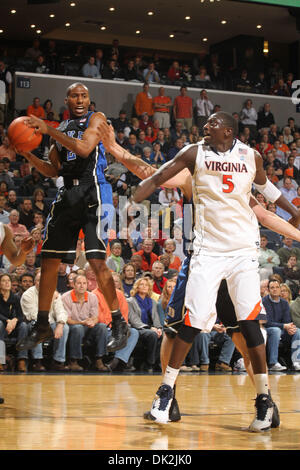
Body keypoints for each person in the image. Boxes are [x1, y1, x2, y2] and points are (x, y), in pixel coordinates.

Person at [132, 111, 300, 430]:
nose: (204, 128)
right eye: (204, 124)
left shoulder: (251, 156)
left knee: (250, 324)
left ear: (227, 131)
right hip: (207, 251)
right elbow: (162, 174)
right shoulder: (195, 152)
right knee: (192, 321)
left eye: (211, 125)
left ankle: (264, 402)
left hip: (242, 252)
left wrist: (294, 212)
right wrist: (143, 189)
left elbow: (268, 191)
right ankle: (165, 394)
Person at [15, 82, 129, 354]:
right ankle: (42, 324)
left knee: (95, 260)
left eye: (84, 95)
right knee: (49, 259)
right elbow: (52, 170)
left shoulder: (97, 118)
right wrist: (27, 153)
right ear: (66, 99)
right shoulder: (60, 130)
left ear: (89, 99)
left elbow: (85, 148)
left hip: (95, 190)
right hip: (68, 192)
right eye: (75, 96)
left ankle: (118, 322)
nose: (80, 100)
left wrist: (48, 129)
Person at [20, 270, 70, 371]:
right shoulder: (27, 295)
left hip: (50, 322)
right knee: (38, 326)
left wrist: (60, 324)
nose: (42, 283)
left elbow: (61, 311)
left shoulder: (54, 293)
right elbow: (33, 315)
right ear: (35, 282)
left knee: (64, 328)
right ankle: (37, 361)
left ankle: (57, 361)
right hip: (33, 323)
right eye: (39, 280)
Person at [62, 274, 109, 371]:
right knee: (78, 328)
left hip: (87, 326)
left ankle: (99, 359)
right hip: (72, 327)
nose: (82, 286)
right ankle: (73, 361)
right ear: (73, 285)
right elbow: (68, 320)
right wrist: (82, 322)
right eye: (79, 283)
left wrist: (92, 322)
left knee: (102, 327)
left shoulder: (93, 297)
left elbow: (95, 317)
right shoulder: (65, 297)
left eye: (84, 283)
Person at [92, 284, 139, 371]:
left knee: (134, 332)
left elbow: (124, 314)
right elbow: (98, 316)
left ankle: (116, 361)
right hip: (103, 328)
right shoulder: (94, 295)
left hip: (117, 328)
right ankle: (107, 361)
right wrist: (112, 326)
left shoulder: (119, 294)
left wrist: (120, 327)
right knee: (102, 328)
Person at [262, 278, 300, 371]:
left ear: (279, 289)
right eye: (272, 287)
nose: (275, 289)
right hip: (267, 329)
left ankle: (296, 361)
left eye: (277, 287)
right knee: (276, 330)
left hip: (282, 329)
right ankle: (273, 363)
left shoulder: (284, 303)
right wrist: (284, 326)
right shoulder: (264, 301)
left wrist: (289, 328)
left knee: (297, 331)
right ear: (268, 290)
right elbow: (267, 322)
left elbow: (287, 321)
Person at [127, 277, 162, 372]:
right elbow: (134, 320)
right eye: (141, 284)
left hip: (151, 329)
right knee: (152, 334)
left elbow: (156, 318)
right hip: (137, 328)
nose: (144, 287)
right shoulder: (130, 301)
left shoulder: (153, 302)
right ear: (137, 287)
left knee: (162, 335)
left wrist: (158, 328)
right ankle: (149, 364)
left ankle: (156, 363)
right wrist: (150, 328)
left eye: (146, 285)